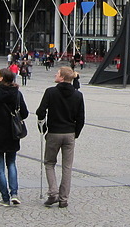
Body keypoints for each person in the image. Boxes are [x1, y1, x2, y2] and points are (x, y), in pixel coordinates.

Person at [36, 66, 85, 208]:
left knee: (49, 163)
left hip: (54, 132)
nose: (55, 74)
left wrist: (43, 126)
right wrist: (76, 133)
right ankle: (64, 198)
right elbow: (81, 117)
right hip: (69, 133)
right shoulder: (77, 95)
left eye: (57, 73)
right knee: (67, 166)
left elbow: (40, 111)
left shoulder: (51, 92)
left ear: (62, 78)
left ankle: (53, 193)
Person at [0, 68, 29, 207]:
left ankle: (5, 197)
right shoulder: (17, 94)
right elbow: (25, 114)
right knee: (12, 163)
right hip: (13, 134)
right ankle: (14, 193)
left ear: (2, 78)